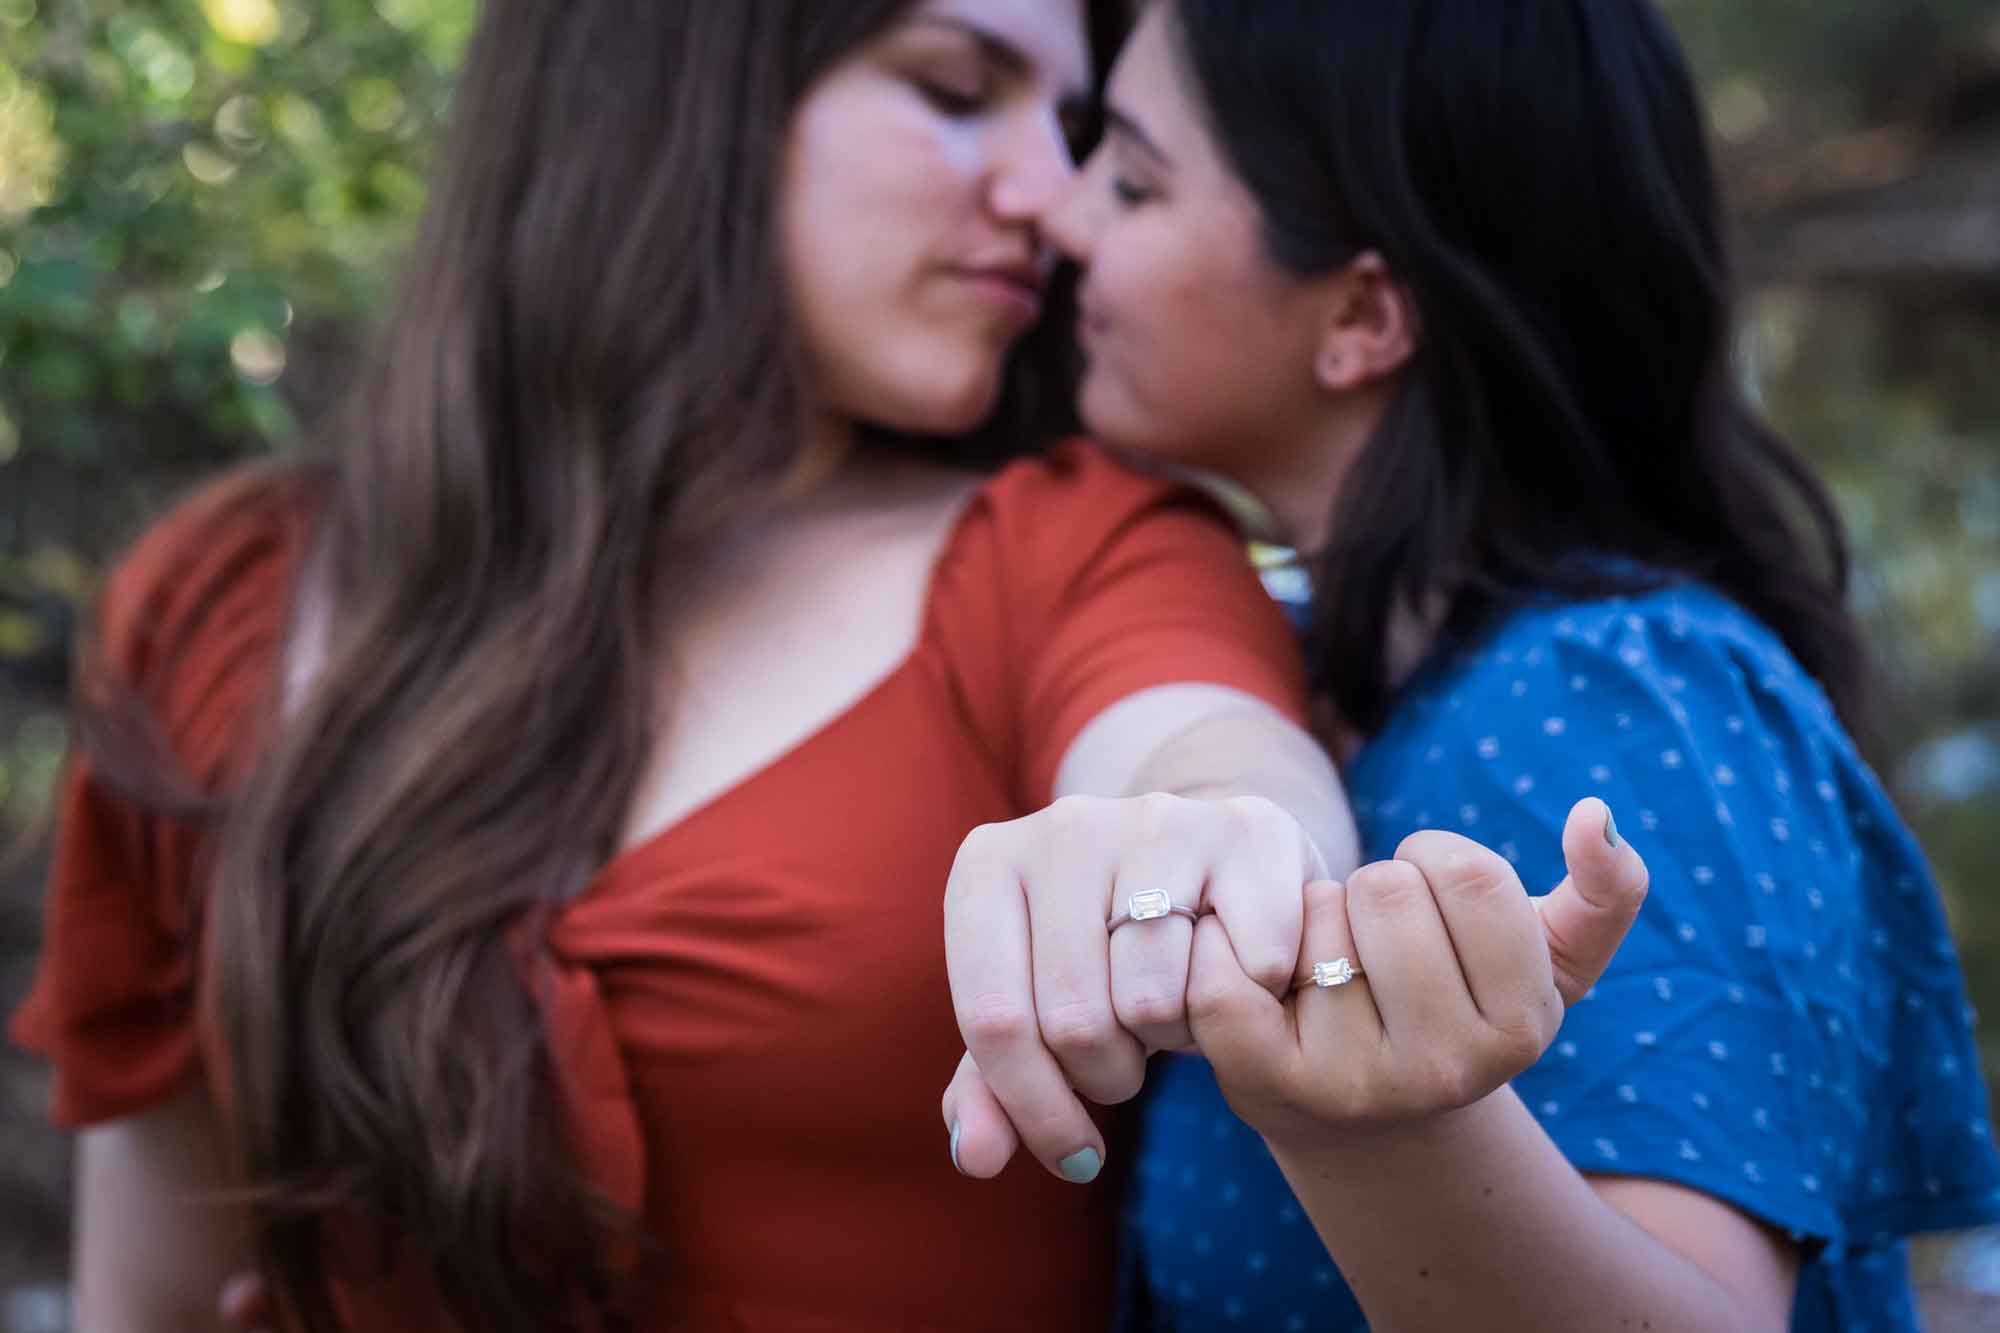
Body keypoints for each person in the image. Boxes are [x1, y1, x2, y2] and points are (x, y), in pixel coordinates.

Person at [6, 2, 1394, 1329]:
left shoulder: (1074, 548)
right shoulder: (219, 598)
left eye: (1083, 126)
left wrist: (1200, 846)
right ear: (667, 89)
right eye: (958, 92)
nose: (1055, 197)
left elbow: (1213, 768)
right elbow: (160, 1286)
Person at [942, 1, 2000, 1329]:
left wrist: (1379, 1128)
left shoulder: (1613, 697)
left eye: (1136, 180)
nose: (1064, 215)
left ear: (1363, 315)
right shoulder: (1359, 679)